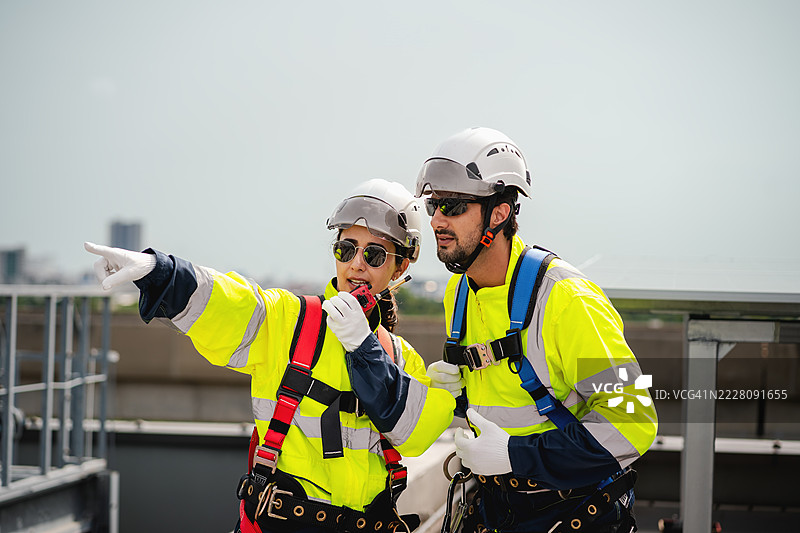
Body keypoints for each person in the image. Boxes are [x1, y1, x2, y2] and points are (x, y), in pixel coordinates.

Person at [85, 179, 456, 533]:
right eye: (345, 249)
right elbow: (227, 303)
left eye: (373, 254)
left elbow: (415, 435)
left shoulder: (400, 359)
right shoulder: (290, 323)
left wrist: (364, 348)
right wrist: (160, 272)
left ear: (400, 267)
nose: (356, 264)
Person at [416, 128, 658, 533]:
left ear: (500, 212)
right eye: (433, 205)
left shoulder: (566, 300)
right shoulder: (459, 292)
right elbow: (513, 402)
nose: (437, 220)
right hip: (496, 506)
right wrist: (461, 393)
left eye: (453, 205)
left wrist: (516, 455)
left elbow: (634, 423)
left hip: (570, 511)